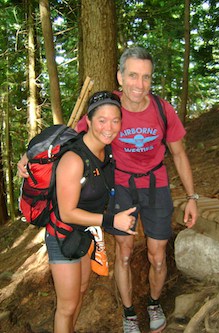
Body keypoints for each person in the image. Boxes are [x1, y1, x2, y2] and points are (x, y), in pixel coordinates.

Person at [76, 47, 199, 333]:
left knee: (158, 255)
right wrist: (33, 156)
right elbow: (74, 137)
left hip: (156, 185)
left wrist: (192, 197)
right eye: (132, 75)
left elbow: (179, 154)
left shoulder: (161, 109)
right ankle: (129, 312)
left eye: (146, 77)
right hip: (121, 186)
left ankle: (154, 303)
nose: (139, 85)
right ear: (120, 76)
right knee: (125, 252)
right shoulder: (107, 108)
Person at [18, 91, 137, 333]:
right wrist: (112, 220)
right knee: (67, 306)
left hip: (85, 234)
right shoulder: (74, 159)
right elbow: (67, 212)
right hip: (63, 235)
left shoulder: (107, 151)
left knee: (81, 290)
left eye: (115, 120)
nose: (109, 126)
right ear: (89, 122)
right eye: (102, 120)